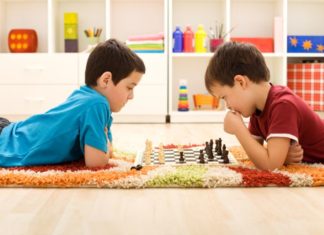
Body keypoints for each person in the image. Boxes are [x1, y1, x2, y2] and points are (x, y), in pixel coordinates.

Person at [0, 39, 145, 167]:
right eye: (129, 87)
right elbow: (97, 162)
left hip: (9, 131)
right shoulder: (97, 104)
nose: (131, 96)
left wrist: (106, 145)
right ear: (106, 80)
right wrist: (106, 145)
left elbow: (108, 148)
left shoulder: (86, 96)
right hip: (6, 145)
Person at [205, 41, 324, 170]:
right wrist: (280, 156)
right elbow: (256, 152)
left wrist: (239, 129)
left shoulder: (283, 105)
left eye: (224, 97)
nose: (227, 105)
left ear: (240, 82)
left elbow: (269, 165)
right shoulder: (257, 108)